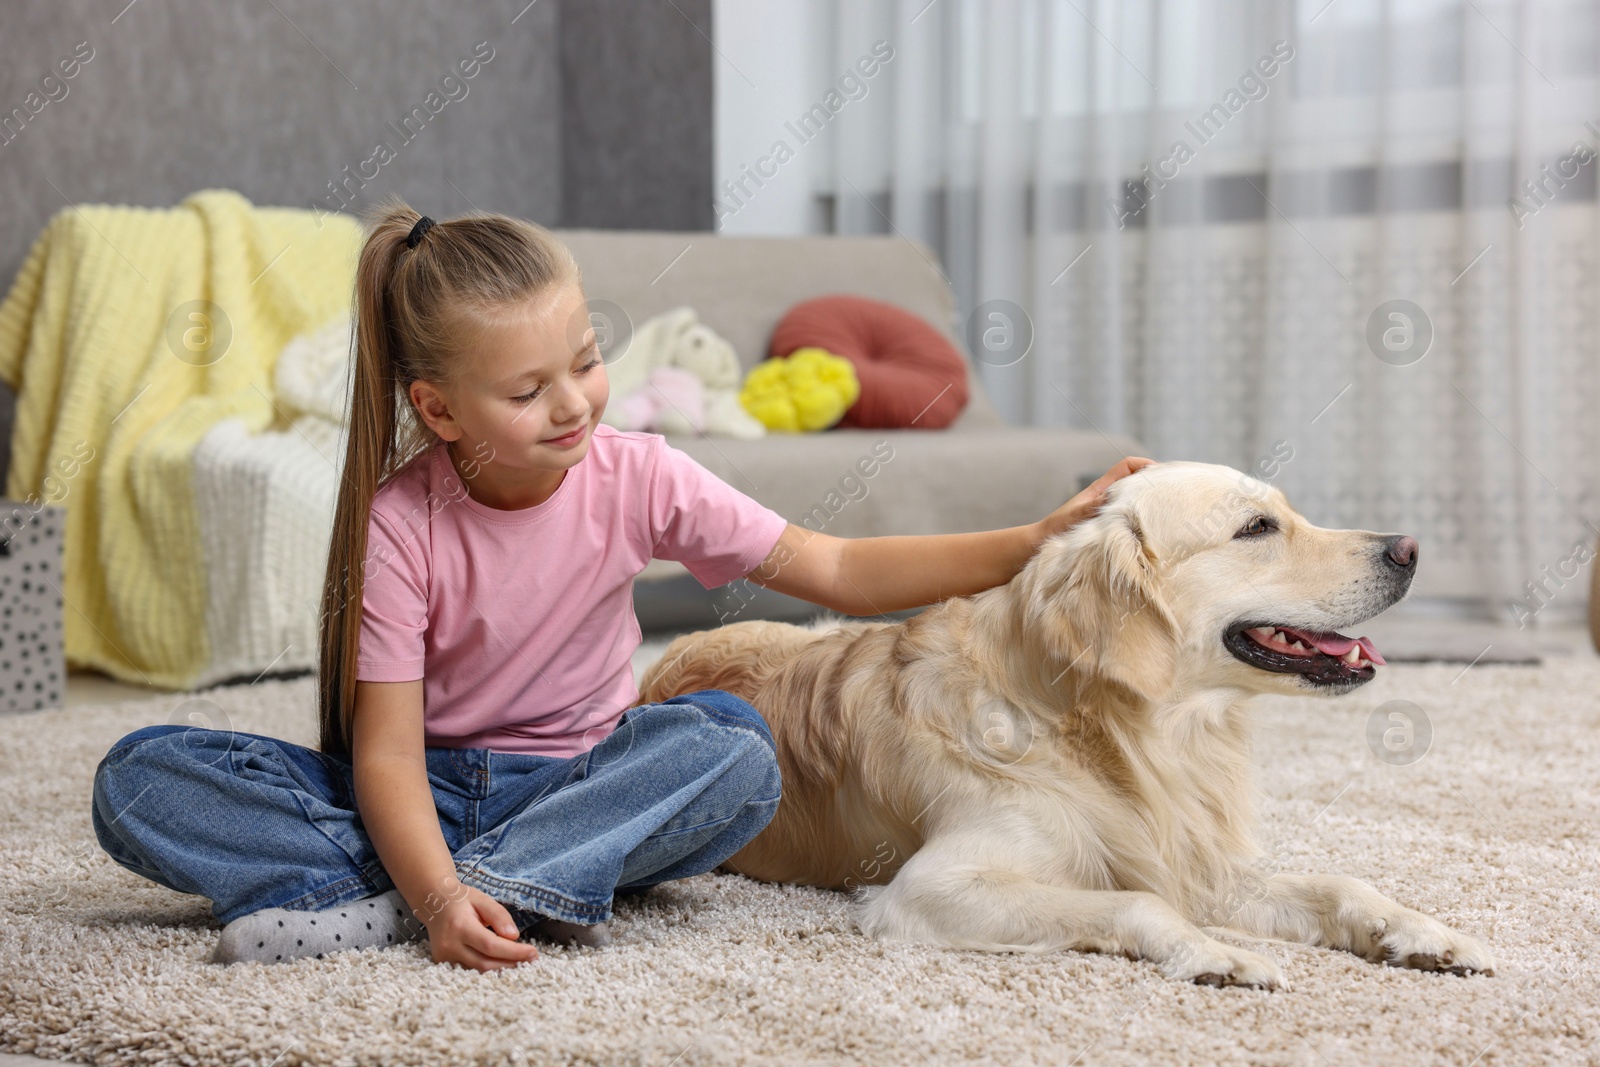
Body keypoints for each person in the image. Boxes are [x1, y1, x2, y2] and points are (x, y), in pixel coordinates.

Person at [90, 200, 1153, 973]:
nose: (573, 404)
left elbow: (832, 567)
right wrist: (436, 884)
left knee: (731, 748)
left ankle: (407, 899)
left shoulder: (639, 472)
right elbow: (386, 755)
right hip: (427, 787)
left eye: (586, 361)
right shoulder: (402, 520)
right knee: (140, 777)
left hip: (585, 782)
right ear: (441, 409)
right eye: (525, 389)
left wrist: (1033, 537)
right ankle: (474, 895)